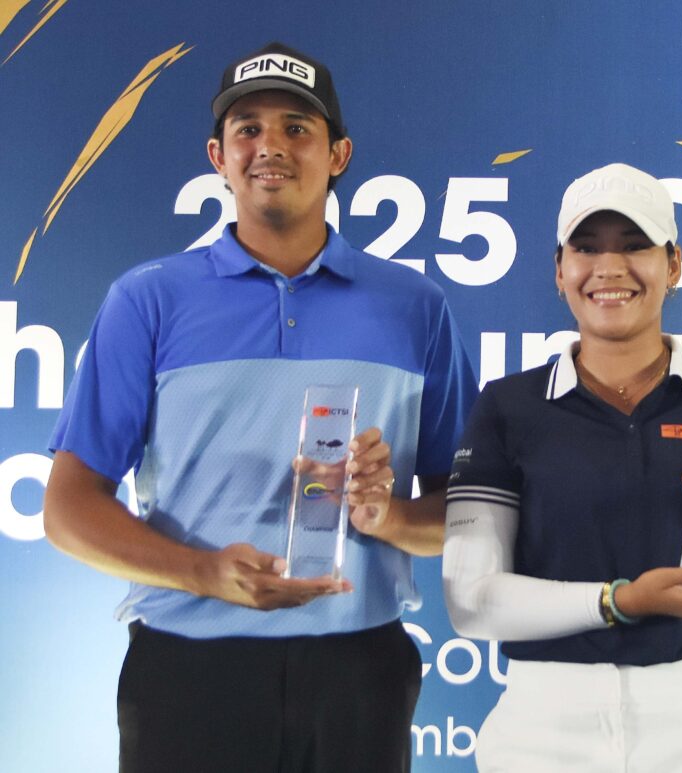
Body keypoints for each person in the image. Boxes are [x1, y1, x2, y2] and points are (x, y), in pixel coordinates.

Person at [44, 41, 477, 773]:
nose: (270, 146)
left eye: (296, 128)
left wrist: (389, 516)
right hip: (188, 672)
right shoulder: (147, 299)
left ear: (338, 155)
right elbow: (67, 507)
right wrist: (204, 571)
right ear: (218, 155)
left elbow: (463, 513)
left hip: (358, 673)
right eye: (248, 128)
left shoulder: (416, 307)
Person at [443, 163, 682, 772]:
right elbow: (471, 601)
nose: (609, 267)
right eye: (586, 248)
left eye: (636, 245)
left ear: (674, 265)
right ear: (559, 270)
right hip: (543, 732)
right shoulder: (508, 406)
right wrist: (619, 601)